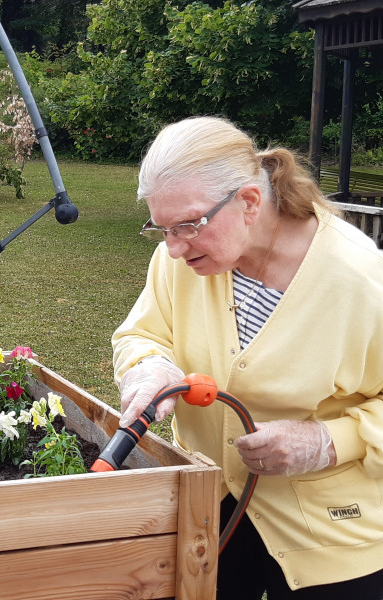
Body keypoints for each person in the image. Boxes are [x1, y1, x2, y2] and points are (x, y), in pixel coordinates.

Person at [111, 115, 383, 599]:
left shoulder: (361, 282)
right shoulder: (184, 258)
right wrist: (148, 365)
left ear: (250, 201)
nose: (173, 249)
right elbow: (142, 333)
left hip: (328, 533)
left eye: (188, 226)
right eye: (161, 228)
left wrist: (325, 440)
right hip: (207, 505)